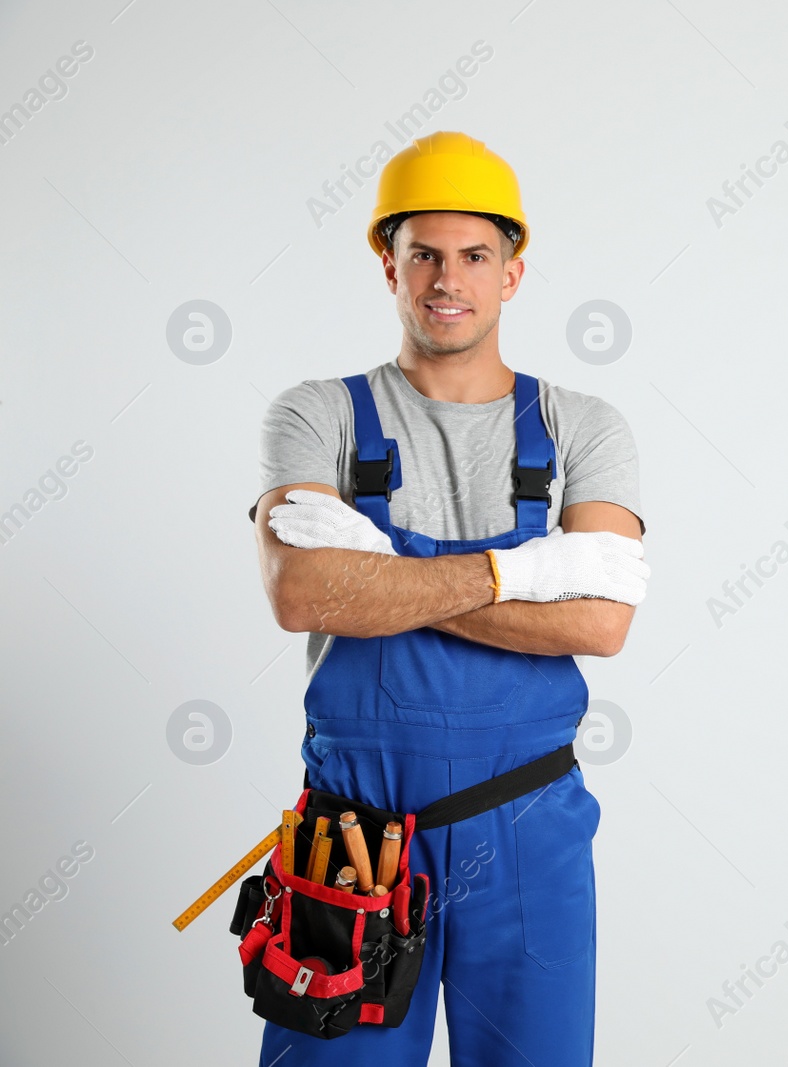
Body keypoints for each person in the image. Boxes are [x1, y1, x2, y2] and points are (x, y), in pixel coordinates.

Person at [248, 130, 648, 1066]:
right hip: (352, 839)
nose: (446, 278)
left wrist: (381, 568)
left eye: (475, 255)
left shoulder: (582, 426)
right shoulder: (317, 414)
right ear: (386, 261)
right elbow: (304, 591)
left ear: (513, 273)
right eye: (422, 252)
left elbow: (600, 619)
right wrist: (527, 570)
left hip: (527, 830)